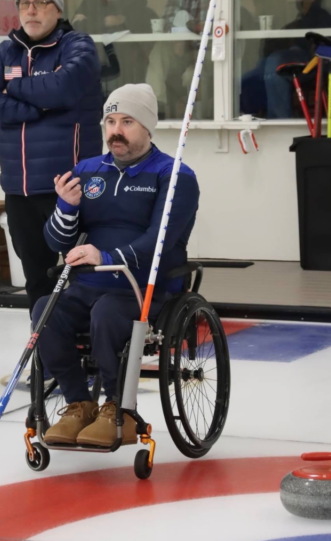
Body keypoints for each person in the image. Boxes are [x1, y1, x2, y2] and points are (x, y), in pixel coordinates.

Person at [35, 84, 200, 448]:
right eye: (110, 121)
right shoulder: (89, 170)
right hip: (89, 286)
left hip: (144, 290)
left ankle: (116, 406)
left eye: (127, 121)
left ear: (147, 127)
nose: (116, 130)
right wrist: (65, 207)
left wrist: (105, 258)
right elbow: (57, 243)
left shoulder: (175, 176)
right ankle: (79, 403)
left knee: (109, 314)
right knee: (45, 310)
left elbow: (159, 241)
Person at [0, 0, 103, 312]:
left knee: (83, 273)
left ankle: (88, 353)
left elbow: (62, 89)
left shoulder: (79, 46)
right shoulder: (5, 52)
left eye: (40, 3)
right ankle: (47, 358)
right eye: (25, 4)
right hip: (18, 190)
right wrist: (37, 105)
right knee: (37, 280)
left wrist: (13, 88)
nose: (31, 10)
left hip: (69, 185)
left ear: (57, 9)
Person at [70, 0, 157, 100]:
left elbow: (142, 27)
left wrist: (90, 22)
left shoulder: (135, 0)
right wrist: (105, 22)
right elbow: (76, 26)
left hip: (127, 65)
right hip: (96, 62)